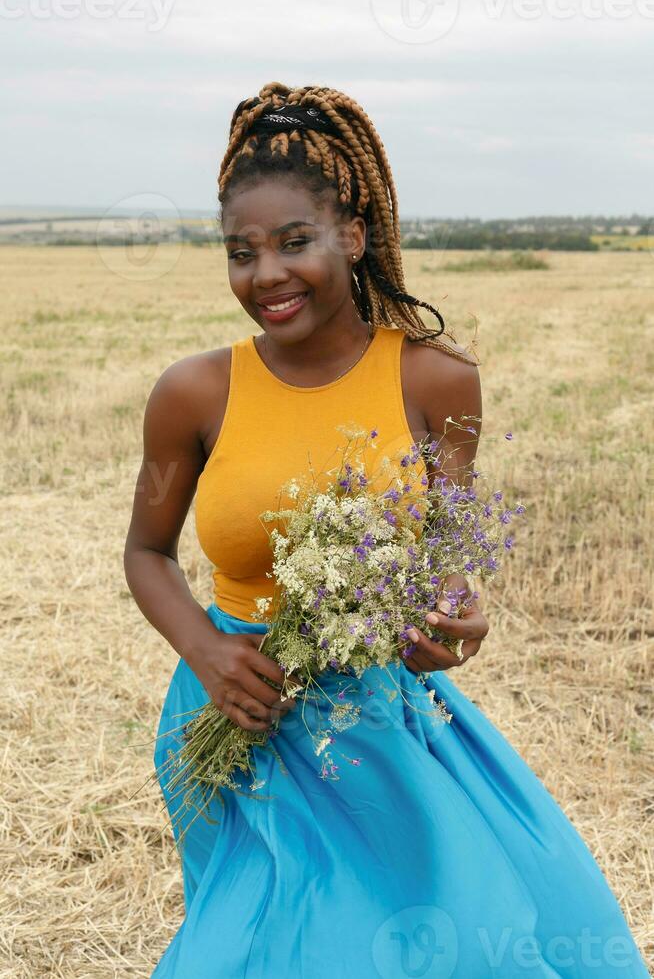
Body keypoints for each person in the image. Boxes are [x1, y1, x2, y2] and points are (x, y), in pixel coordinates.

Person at [123, 82, 649, 978]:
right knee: (251, 953)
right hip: (234, 718)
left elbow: (445, 569)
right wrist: (209, 653)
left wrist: (455, 624)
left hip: (376, 727)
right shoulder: (193, 393)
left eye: (295, 243)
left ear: (353, 236)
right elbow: (145, 553)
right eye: (240, 252)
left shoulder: (437, 382)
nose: (266, 275)